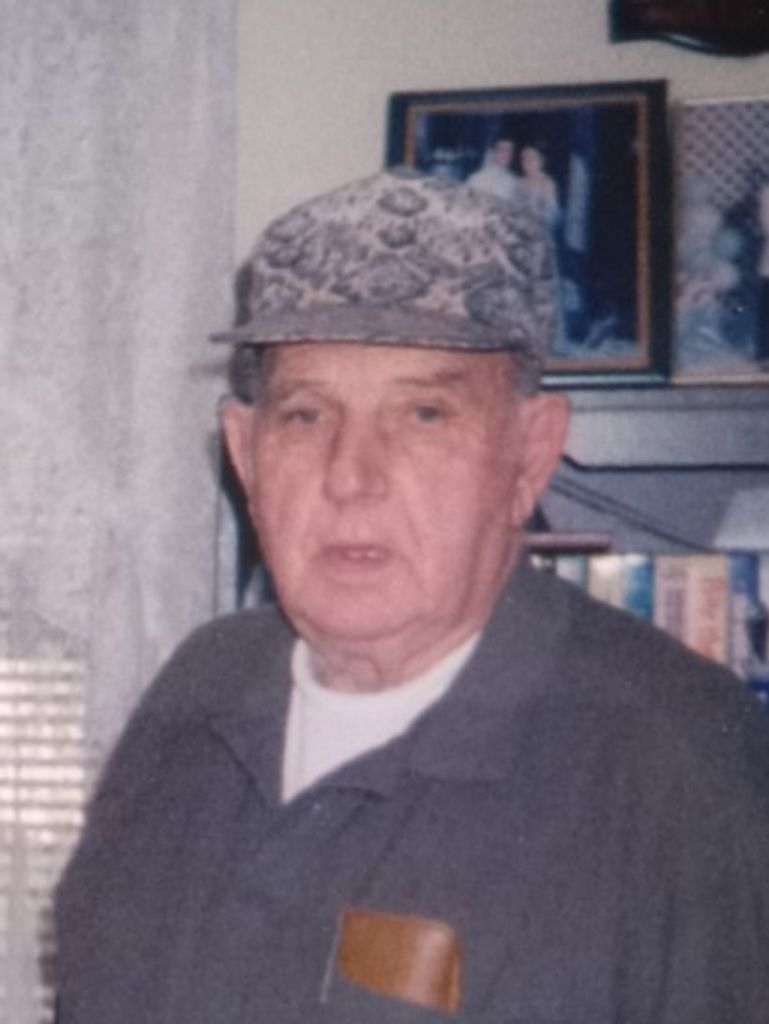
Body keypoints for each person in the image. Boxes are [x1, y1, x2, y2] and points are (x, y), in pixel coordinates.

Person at [55, 170, 769, 1023]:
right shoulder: (198, 691)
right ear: (245, 455)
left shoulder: (677, 765)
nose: (350, 478)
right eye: (305, 416)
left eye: (423, 414)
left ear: (529, 454)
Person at [466, 137, 519, 202]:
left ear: (512, 156)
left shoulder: (514, 182)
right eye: (501, 149)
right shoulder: (477, 177)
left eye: (508, 150)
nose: (505, 153)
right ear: (494, 153)